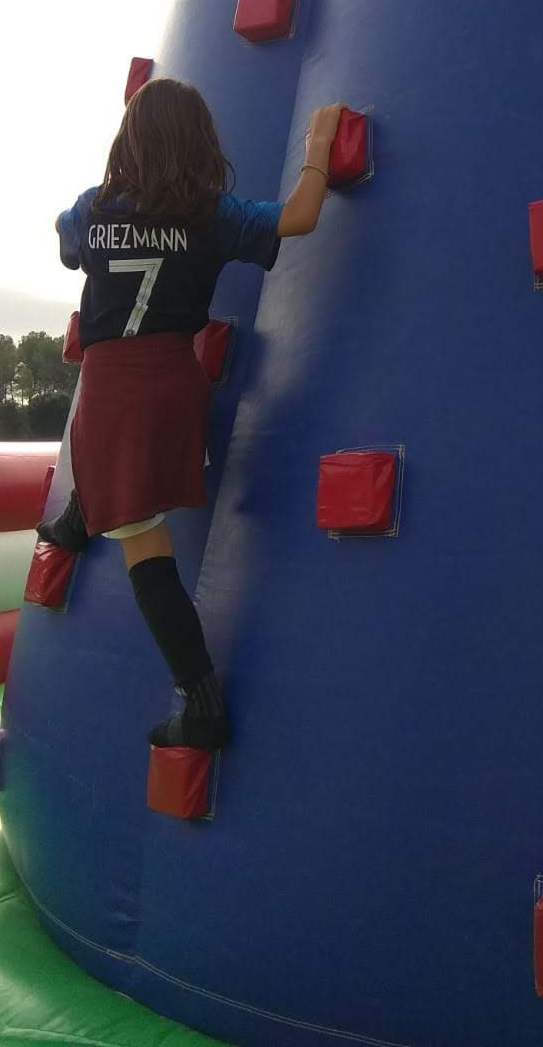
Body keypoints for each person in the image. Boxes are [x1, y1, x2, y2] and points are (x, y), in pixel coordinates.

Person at [39, 77, 343, 751]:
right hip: (176, 381)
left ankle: (200, 699)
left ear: (129, 141)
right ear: (198, 142)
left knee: (144, 547)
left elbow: (65, 241)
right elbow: (297, 217)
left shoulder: (94, 208)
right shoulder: (209, 212)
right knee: (121, 475)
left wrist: (87, 219)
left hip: (112, 387)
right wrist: (319, 147)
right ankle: (81, 516)